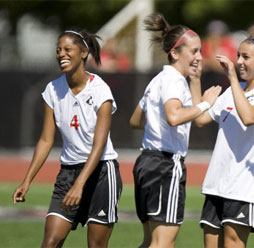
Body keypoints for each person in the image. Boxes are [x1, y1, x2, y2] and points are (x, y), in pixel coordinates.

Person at [12, 30, 122, 248]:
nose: (61, 54)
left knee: (96, 246)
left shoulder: (100, 91)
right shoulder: (52, 89)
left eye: (67, 49)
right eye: (58, 50)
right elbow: (45, 140)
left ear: (83, 53)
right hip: (68, 174)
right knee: (50, 242)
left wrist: (80, 184)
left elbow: (99, 146)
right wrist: (27, 180)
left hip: (101, 174)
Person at [129, 13, 221, 248]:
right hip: (164, 165)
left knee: (151, 241)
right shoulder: (173, 81)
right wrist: (205, 104)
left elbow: (136, 120)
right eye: (194, 51)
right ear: (175, 53)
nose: (199, 57)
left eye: (200, 51)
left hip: (147, 163)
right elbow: (174, 116)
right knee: (163, 243)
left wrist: (196, 81)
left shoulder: (159, 79)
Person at [195, 34, 254, 247]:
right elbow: (200, 119)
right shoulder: (231, 92)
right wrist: (195, 79)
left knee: (233, 243)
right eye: (238, 56)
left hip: (244, 186)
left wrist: (233, 79)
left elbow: (249, 117)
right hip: (216, 182)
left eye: (246, 57)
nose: (239, 61)